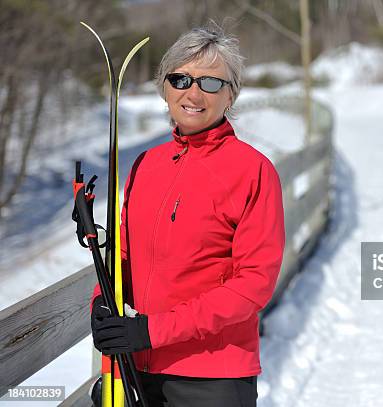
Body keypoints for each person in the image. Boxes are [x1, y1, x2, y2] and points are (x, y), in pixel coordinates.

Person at [89, 22, 285, 406]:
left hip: (212, 376)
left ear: (231, 96)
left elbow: (253, 284)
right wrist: (100, 300)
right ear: (165, 89)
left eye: (211, 83)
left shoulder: (253, 170)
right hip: (135, 369)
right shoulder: (146, 164)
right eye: (180, 79)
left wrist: (154, 331)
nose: (193, 93)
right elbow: (124, 254)